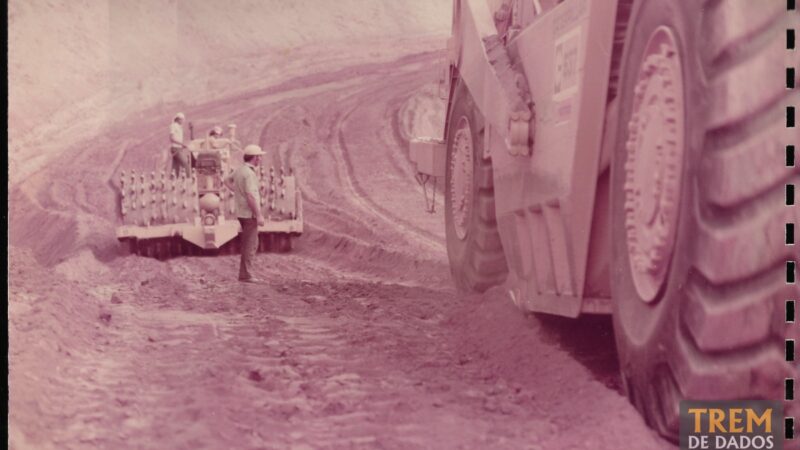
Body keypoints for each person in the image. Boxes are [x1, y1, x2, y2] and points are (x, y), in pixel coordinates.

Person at [225, 144, 266, 283]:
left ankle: (245, 273)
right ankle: (246, 275)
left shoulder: (240, 170)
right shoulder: (249, 173)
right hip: (249, 214)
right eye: (259, 156)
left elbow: (226, 180)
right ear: (255, 158)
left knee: (249, 242)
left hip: (241, 212)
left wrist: (237, 191)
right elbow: (250, 196)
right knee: (250, 244)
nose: (261, 158)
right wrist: (259, 215)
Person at [170, 112, 191, 177]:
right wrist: (182, 144)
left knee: (175, 167)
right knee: (186, 165)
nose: (183, 121)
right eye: (182, 119)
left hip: (178, 148)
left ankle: (172, 182)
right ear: (178, 119)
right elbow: (172, 138)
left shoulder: (179, 127)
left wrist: (182, 145)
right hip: (175, 148)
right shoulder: (173, 126)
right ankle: (189, 179)